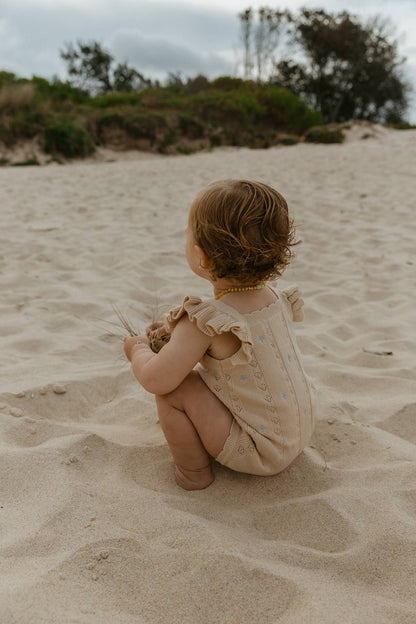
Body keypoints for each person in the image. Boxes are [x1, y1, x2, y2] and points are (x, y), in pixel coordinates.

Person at [124, 179, 316, 491]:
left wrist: (138, 351)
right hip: (298, 432)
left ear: (203, 257)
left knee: (176, 391)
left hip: (259, 451)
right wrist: (172, 331)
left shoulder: (206, 323)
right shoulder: (276, 297)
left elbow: (156, 379)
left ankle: (193, 472)